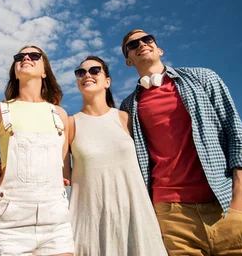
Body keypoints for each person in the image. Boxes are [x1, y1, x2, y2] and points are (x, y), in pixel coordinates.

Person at [119, 29, 242, 255]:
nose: (142, 44)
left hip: (223, 204)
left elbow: (235, 131)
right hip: (170, 215)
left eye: (147, 39)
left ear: (159, 48)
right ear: (128, 59)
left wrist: (241, 198)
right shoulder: (129, 106)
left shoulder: (202, 78)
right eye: (133, 45)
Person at [67, 56, 167, 255]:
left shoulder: (126, 119)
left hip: (136, 219)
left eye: (94, 70)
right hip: (90, 226)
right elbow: (62, 177)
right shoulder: (70, 123)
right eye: (81, 72)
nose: (87, 75)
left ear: (107, 82)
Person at [0, 46, 74, 256]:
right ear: (15, 71)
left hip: (55, 220)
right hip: (10, 220)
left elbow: (62, 167)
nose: (26, 57)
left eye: (34, 56)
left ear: (45, 71)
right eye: (19, 57)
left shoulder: (60, 115)